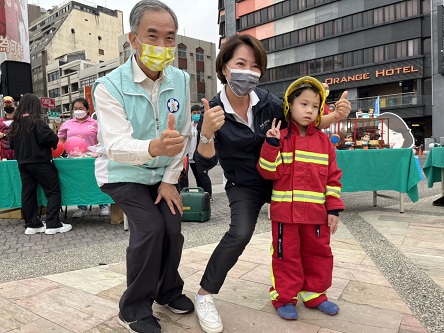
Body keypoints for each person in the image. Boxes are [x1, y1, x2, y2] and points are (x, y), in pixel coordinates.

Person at [193, 33, 351, 333]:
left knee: (309, 240)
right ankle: (204, 295)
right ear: (224, 67)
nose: (248, 72)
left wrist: (333, 116)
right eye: (240, 63)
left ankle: (310, 290)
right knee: (239, 233)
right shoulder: (213, 110)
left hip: (286, 179)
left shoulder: (268, 102)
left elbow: (304, 119)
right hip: (246, 185)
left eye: (255, 66)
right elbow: (205, 162)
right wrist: (207, 133)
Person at [92, 1, 194, 332]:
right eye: (153, 36)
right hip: (123, 174)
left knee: (172, 227)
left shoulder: (180, 78)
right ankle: (134, 307)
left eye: (170, 38)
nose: (162, 46)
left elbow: (184, 134)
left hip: (161, 174)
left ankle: (167, 291)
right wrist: (153, 147)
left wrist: (169, 180)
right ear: (133, 39)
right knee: (150, 228)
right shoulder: (109, 86)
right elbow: (116, 147)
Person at [257, 76, 345, 320]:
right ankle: (284, 297)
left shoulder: (325, 142)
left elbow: (333, 179)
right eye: (303, 104)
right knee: (286, 257)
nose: (309, 110)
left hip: (317, 217)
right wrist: (271, 145)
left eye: (315, 106)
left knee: (319, 255)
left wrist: (333, 210)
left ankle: (314, 294)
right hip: (286, 216)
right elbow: (266, 171)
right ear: (290, 106)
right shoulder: (279, 138)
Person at [8, 94, 72, 235]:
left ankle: (32, 224)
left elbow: (11, 145)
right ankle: (53, 223)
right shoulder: (37, 122)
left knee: (28, 193)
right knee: (53, 191)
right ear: (35, 106)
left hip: (23, 163)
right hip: (40, 162)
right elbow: (53, 141)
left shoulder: (15, 123)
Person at [57, 97, 110, 218]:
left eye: (81, 108)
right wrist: (65, 147)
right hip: (74, 159)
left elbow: (103, 138)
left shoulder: (95, 123)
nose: (78, 111)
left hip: (93, 157)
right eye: (75, 109)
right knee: (78, 182)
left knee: (96, 181)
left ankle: (103, 204)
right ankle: (82, 207)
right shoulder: (67, 124)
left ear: (87, 110)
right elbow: (60, 138)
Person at [187, 104, 212, 198]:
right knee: (197, 176)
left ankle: (208, 195)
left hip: (200, 155)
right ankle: (201, 194)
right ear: (191, 114)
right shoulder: (189, 126)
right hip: (190, 156)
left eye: (198, 113)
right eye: (194, 113)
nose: (196, 115)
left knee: (203, 175)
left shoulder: (204, 125)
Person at [0, 96, 16, 160]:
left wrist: (4, 135)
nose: (8, 106)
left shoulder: (19, 121)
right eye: (6, 105)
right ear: (3, 107)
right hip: (4, 152)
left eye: (10, 104)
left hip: (17, 150)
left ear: (14, 105)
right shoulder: (0, 121)